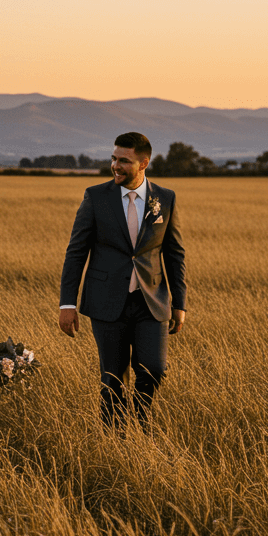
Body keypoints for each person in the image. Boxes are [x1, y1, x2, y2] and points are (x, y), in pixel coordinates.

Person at [58, 131, 187, 427]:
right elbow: (76, 252)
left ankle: (140, 421)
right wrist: (68, 303)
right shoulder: (95, 196)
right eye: (114, 158)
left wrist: (180, 304)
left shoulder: (164, 199)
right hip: (106, 300)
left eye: (124, 161)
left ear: (144, 163)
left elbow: (175, 254)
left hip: (151, 301)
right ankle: (113, 435)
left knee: (154, 368)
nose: (115, 165)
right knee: (113, 377)